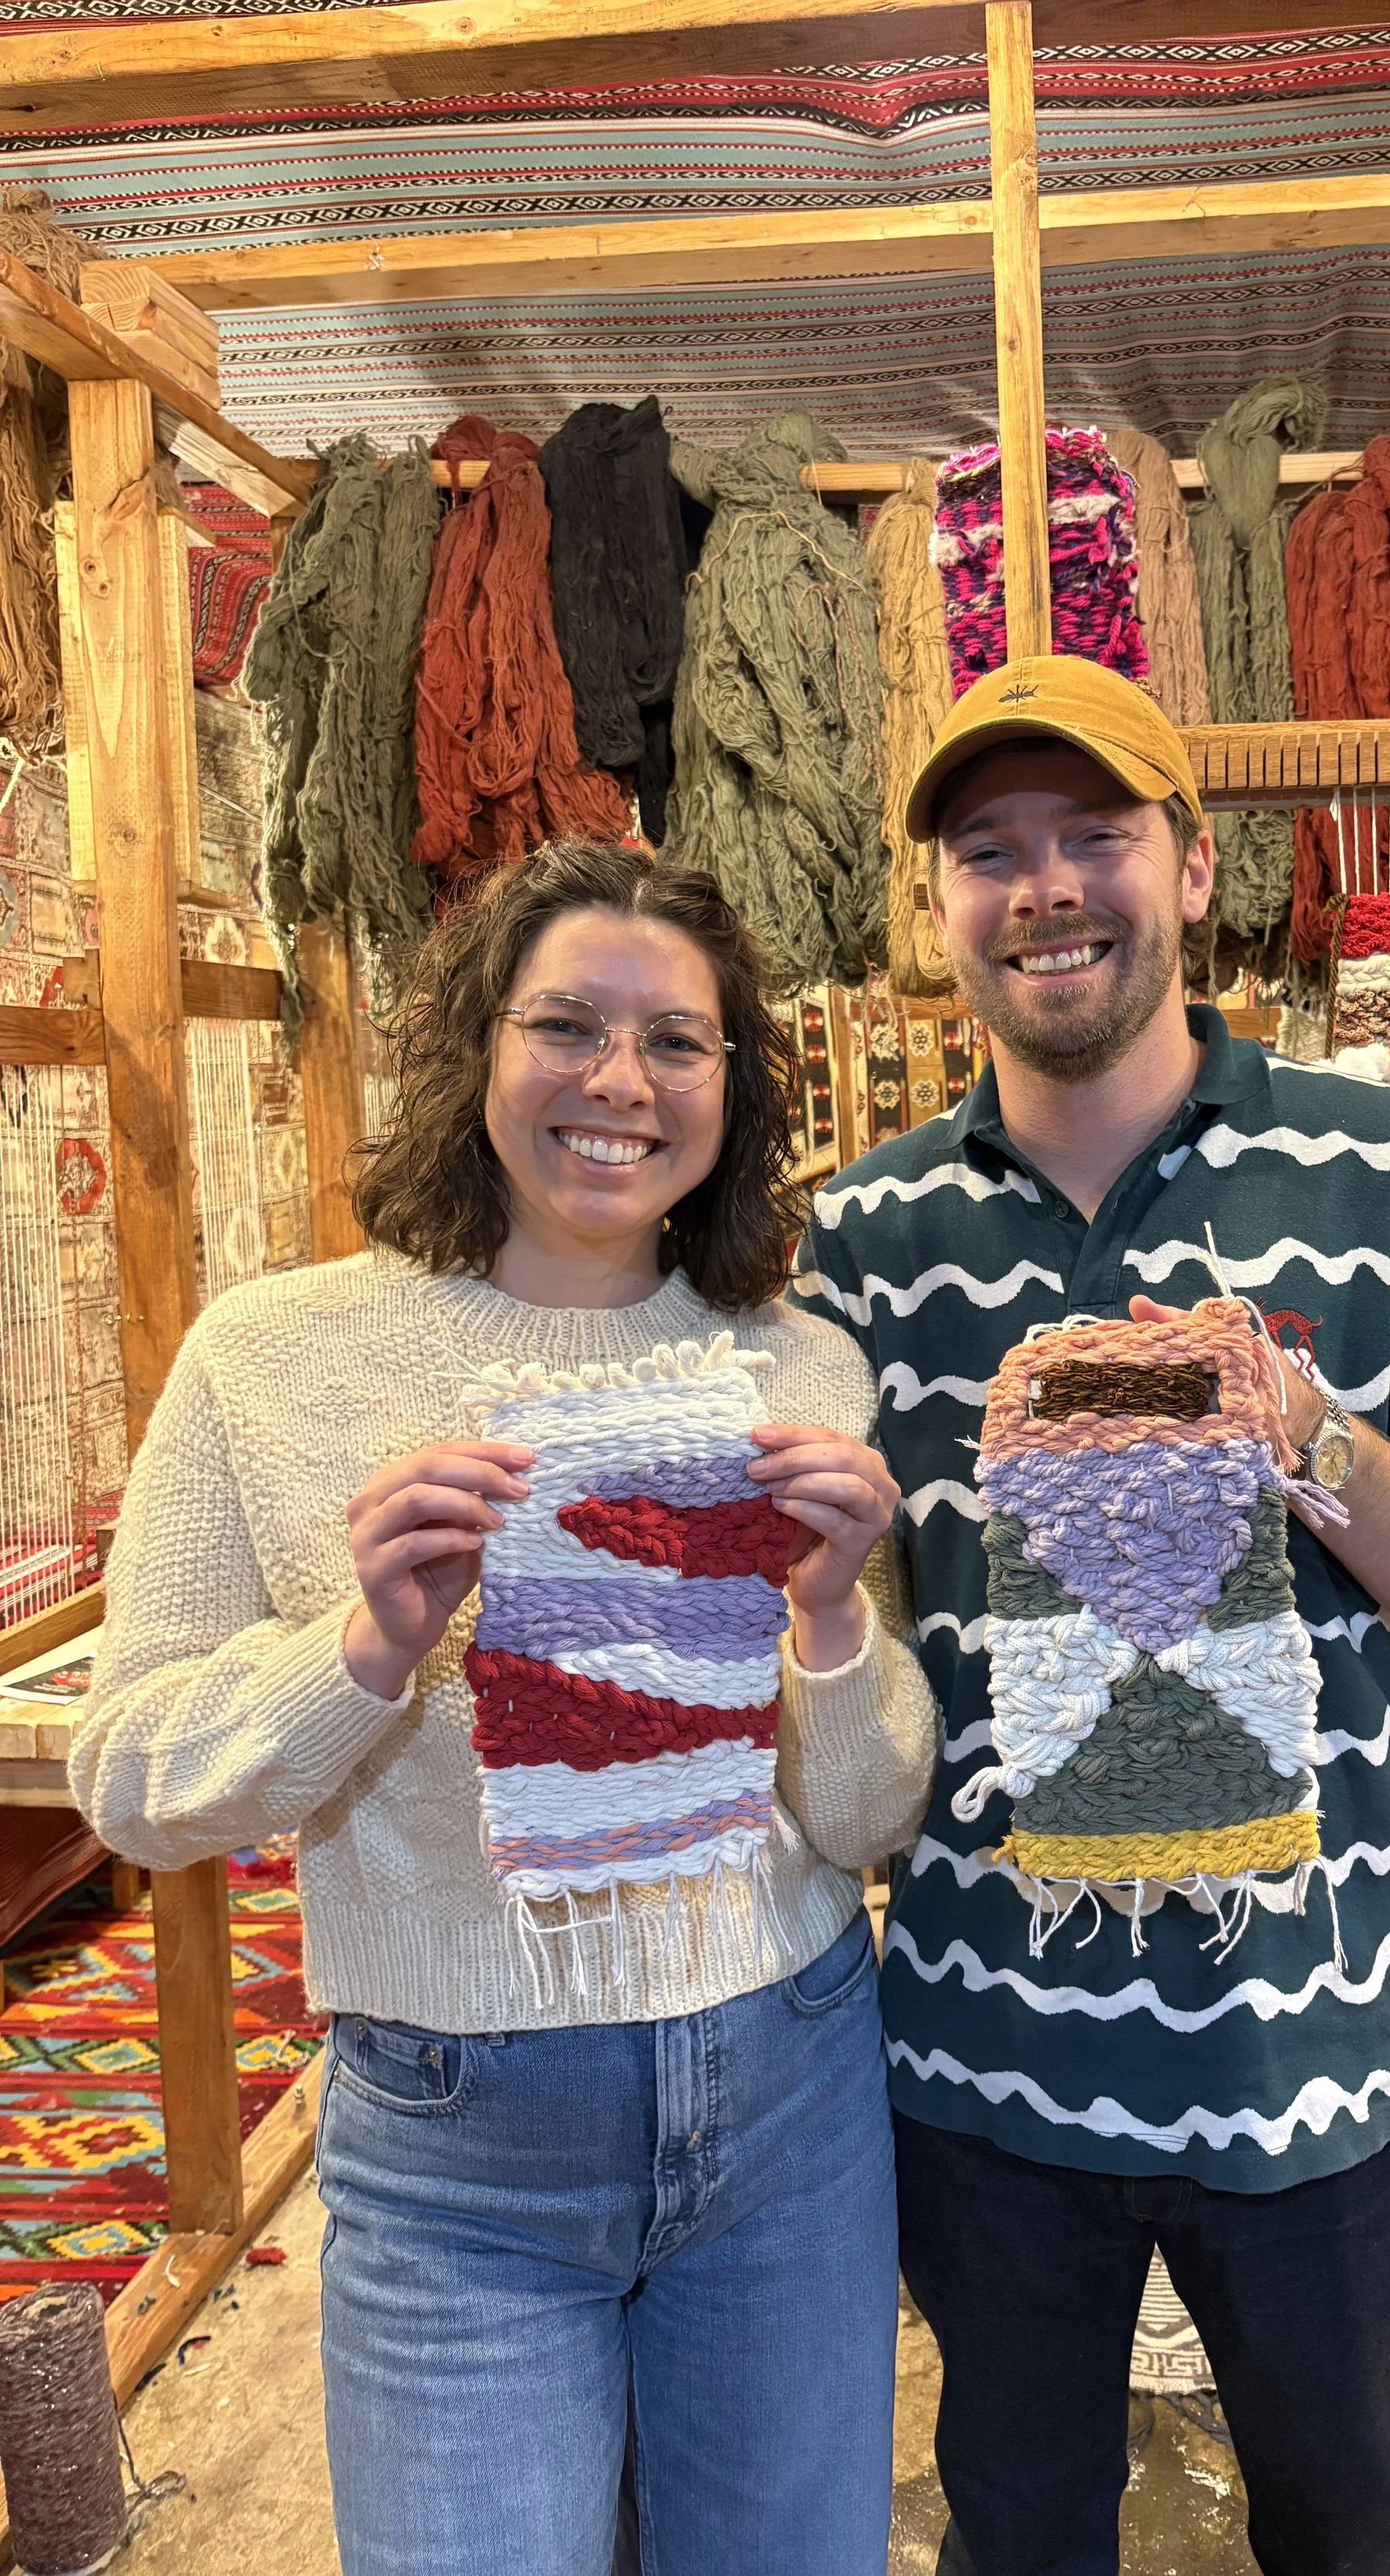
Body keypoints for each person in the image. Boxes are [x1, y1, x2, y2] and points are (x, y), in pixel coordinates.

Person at [792, 657, 1390, 2576]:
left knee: (1347, 2528)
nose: (1044, 886)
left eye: (1093, 837)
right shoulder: (860, 1242)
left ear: (1192, 864)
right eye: (990, 851)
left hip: (1306, 2059)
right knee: (1020, 2528)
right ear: (939, 910)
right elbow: (847, 1657)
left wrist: (1308, 1433)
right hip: (983, 2059)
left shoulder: (1387, 1169)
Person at [71, 840, 937, 2576]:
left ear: (733, 1086)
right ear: (474, 1048)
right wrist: (365, 1648)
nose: (619, 1081)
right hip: (460, 2147)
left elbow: (865, 1817)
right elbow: (128, 1778)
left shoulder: (798, 1367)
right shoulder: (272, 1358)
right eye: (567, 1024)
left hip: (788, 2098)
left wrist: (831, 1622)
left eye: (676, 1043)